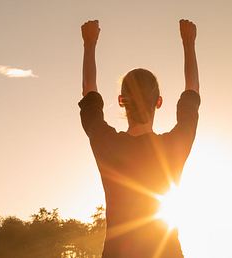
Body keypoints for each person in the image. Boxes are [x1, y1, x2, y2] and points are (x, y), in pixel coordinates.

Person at [78, 19, 200, 258]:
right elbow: (192, 91)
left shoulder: (107, 143)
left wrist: (89, 44)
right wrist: (188, 42)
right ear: (159, 102)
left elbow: (88, 90)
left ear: (121, 101)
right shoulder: (174, 145)